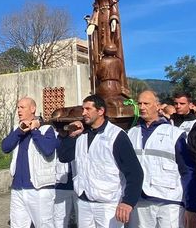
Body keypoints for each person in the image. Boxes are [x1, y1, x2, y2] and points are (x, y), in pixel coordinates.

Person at [58, 94, 143, 228]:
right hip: (83, 201)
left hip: (108, 205)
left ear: (100, 111)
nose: (83, 113)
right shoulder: (81, 134)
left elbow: (135, 172)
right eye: (83, 109)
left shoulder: (116, 136)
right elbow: (63, 157)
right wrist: (71, 136)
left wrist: (128, 202)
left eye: (88, 109)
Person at [127, 90, 196, 228]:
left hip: (169, 203)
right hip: (140, 201)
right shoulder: (132, 133)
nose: (142, 107)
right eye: (139, 103)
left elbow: (187, 170)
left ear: (157, 106)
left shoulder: (174, 134)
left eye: (146, 103)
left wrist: (191, 206)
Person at [2, 97, 58, 228]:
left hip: (39, 189)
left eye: (22, 107)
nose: (19, 110)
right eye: (18, 107)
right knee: (17, 225)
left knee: (44, 225)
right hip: (18, 189)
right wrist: (19, 131)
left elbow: (48, 150)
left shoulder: (47, 129)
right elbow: (5, 147)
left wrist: (34, 130)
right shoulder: (17, 129)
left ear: (33, 109)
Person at [86, 0, 129, 97]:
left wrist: (114, 18)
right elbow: (96, 8)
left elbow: (113, 3)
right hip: (99, 19)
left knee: (110, 45)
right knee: (98, 49)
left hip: (109, 17)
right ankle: (99, 84)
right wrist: (92, 23)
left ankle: (117, 83)